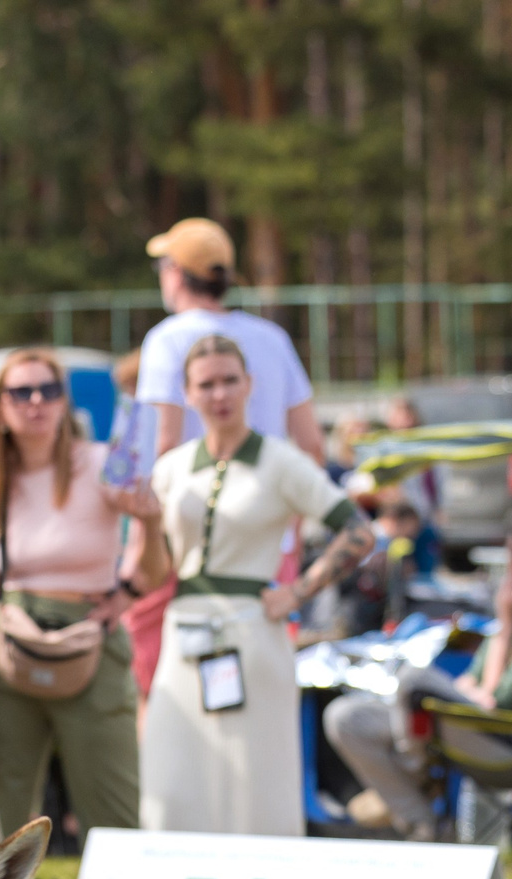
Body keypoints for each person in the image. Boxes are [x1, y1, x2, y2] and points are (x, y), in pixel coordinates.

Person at [140, 335, 375, 836]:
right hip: (182, 633)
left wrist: (300, 590)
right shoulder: (171, 468)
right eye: (207, 384)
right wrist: (139, 524)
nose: (220, 394)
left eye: (230, 381)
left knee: (256, 779)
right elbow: (152, 574)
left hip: (253, 636)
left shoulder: (281, 460)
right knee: (172, 772)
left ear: (249, 385)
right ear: (188, 393)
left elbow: (357, 530)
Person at [0, 346, 147, 841]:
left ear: (64, 402)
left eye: (48, 390)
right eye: (21, 392)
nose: (36, 401)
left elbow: (156, 558)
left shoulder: (102, 464)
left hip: (91, 638)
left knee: (113, 811)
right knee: (4, 820)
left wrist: (126, 589)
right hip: (13, 648)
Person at [324, 518, 512, 841]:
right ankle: (425, 825)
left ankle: (412, 773)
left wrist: (503, 630)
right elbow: (474, 680)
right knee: (345, 718)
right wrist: (472, 688)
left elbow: (502, 698)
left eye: (510, 558)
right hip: (472, 724)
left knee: (413, 680)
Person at [133, 218, 325, 463]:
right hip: (269, 495)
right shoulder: (272, 338)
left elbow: (162, 443)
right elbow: (312, 444)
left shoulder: (166, 340)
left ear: (175, 271)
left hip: (199, 496)